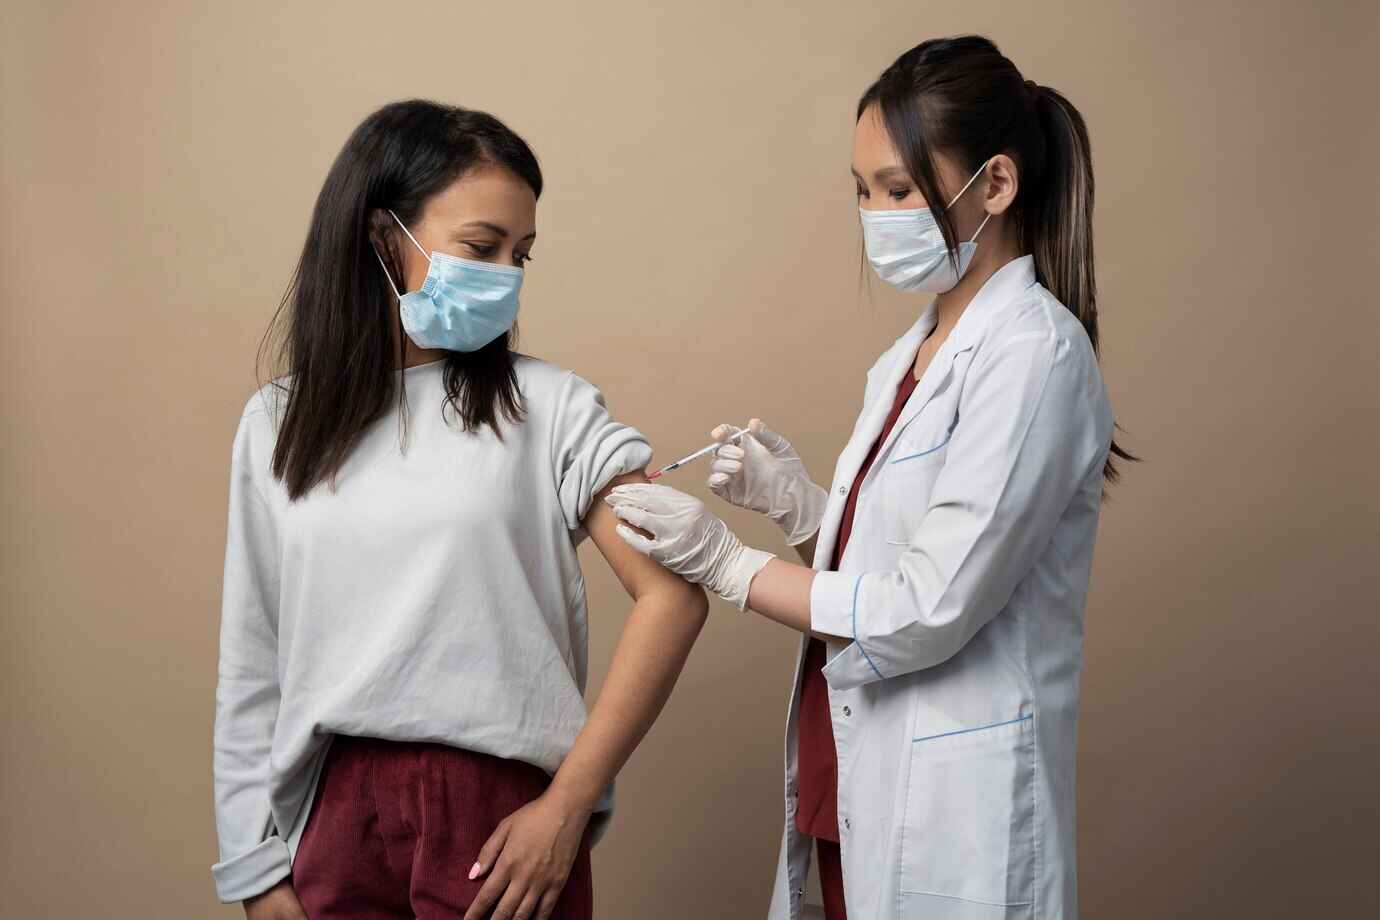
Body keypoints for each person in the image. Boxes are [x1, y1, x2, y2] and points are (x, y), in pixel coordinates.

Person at [606, 36, 1132, 920]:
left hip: (948, 804)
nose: (875, 213)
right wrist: (800, 506)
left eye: (897, 189)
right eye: (862, 191)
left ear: (995, 186)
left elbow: (929, 606)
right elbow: (885, 567)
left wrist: (726, 565)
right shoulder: (908, 357)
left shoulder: (1036, 355)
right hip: (847, 772)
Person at [211, 99, 708, 920]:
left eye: (523, 255)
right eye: (481, 248)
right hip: (331, 820)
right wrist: (254, 869)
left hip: (495, 825)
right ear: (381, 237)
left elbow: (673, 596)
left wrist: (567, 805)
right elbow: (251, 654)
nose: (506, 276)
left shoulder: (550, 408)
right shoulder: (278, 420)